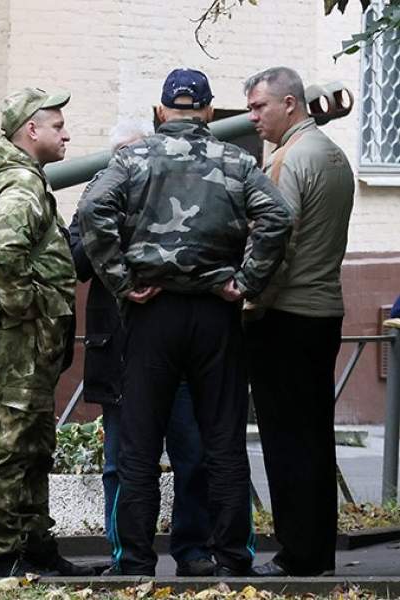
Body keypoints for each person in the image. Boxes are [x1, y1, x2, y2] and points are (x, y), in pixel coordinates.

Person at [77, 68, 293, 576]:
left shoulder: (133, 158)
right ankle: (232, 558)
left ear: (160, 112)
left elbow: (92, 209)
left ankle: (134, 561)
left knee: (138, 443)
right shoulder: (236, 160)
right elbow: (278, 218)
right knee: (223, 440)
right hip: (216, 312)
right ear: (209, 111)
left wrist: (121, 279)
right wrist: (246, 280)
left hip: (151, 312)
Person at [68, 117, 213, 577]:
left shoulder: (172, 189)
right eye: (122, 156)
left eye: (137, 153)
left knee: (191, 454)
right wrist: (110, 223)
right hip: (118, 348)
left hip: (174, 343)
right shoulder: (97, 194)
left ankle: (193, 550)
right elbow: (76, 260)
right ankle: (125, 555)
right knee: (120, 462)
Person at [0, 87, 93, 578]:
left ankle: (36, 545)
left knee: (36, 445)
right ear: (31, 130)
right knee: (14, 445)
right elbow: (3, 251)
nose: (66, 135)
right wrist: (27, 309)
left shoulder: (22, 178)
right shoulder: (20, 184)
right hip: (19, 342)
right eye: (57, 126)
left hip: (27, 342)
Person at [243, 66, 356, 577]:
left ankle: (296, 555)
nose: (253, 117)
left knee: (286, 440)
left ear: (289, 103)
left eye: (259, 106)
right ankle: (318, 552)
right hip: (325, 311)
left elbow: (276, 243)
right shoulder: (334, 155)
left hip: (285, 315)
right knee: (314, 435)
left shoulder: (289, 158)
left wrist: (250, 301)